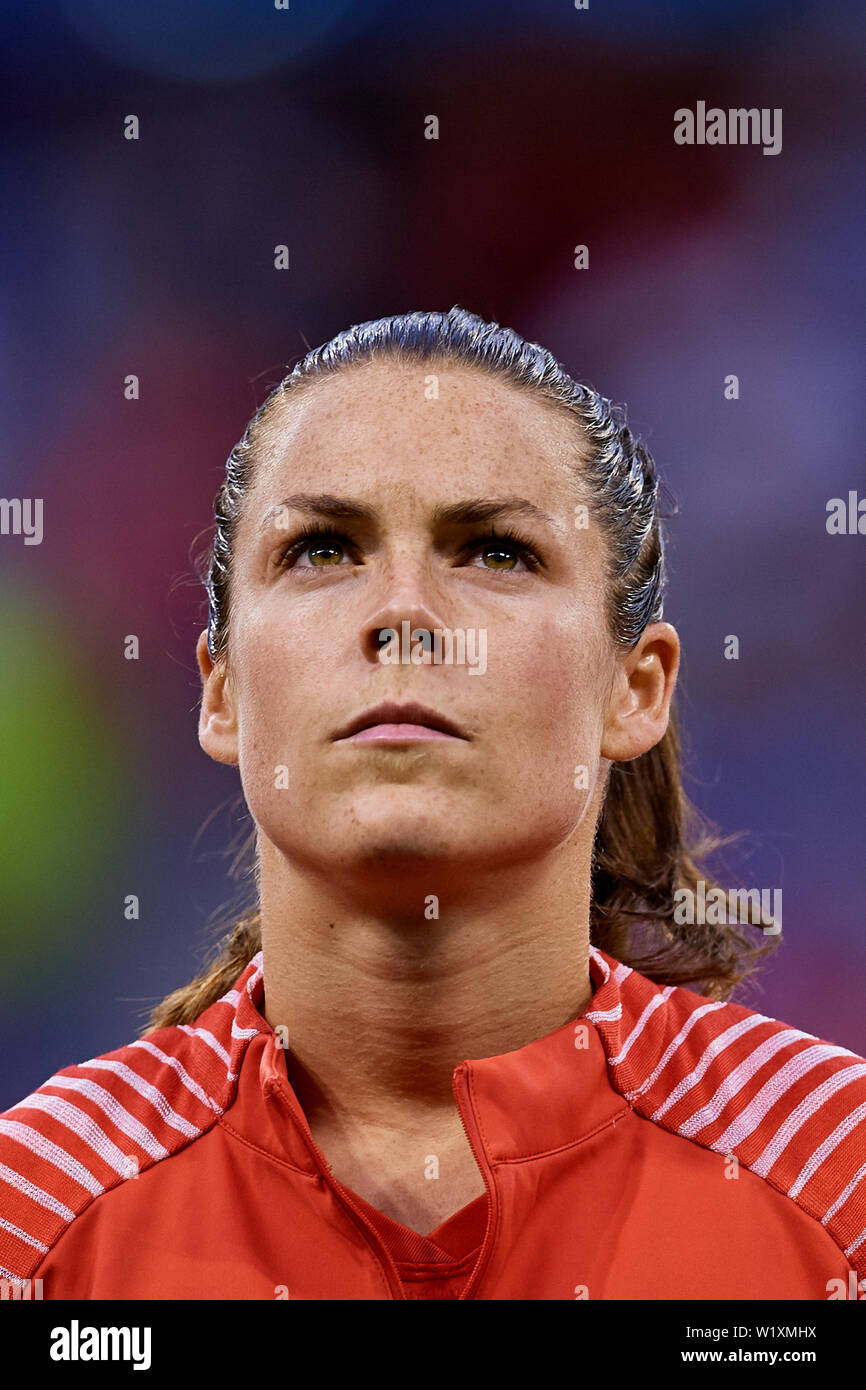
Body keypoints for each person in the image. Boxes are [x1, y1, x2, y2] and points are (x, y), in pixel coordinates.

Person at [1, 307, 863, 1301]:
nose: (404, 614)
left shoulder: (836, 1190)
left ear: (635, 688)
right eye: (322, 549)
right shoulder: (35, 1220)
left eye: (494, 551)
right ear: (222, 690)